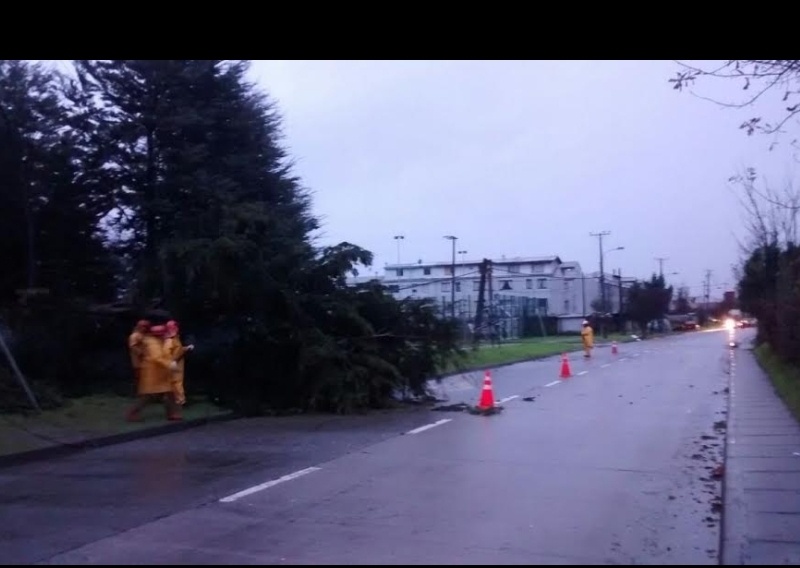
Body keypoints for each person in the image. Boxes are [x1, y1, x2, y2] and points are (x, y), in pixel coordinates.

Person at [126, 324, 180, 422]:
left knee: (169, 393)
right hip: (152, 373)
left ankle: (171, 413)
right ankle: (133, 413)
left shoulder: (159, 341)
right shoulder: (153, 343)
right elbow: (157, 357)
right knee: (149, 396)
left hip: (160, 372)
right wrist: (170, 365)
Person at [163, 320, 194, 415]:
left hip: (177, 364)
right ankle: (180, 402)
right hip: (174, 364)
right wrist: (173, 360)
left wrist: (186, 348)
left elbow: (178, 349)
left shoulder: (174, 338)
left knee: (176, 383)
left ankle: (177, 401)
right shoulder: (170, 340)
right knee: (176, 383)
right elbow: (170, 353)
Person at [127, 320, 150, 385]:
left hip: (146, 360)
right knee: (139, 376)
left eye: (146, 327)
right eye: (143, 327)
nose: (145, 328)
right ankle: (139, 392)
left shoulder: (144, 335)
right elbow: (133, 346)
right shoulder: (134, 335)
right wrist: (141, 352)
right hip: (137, 360)